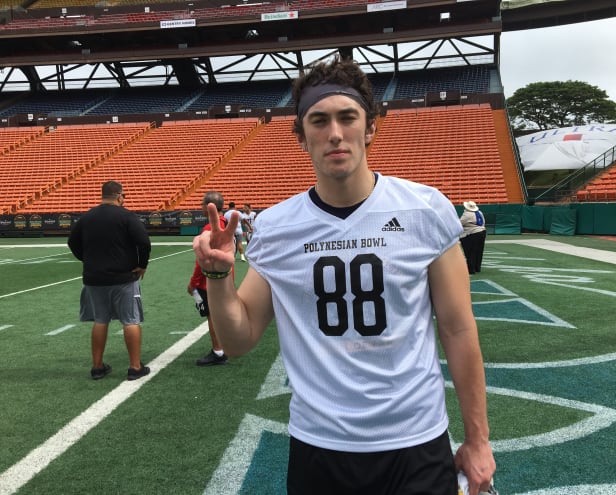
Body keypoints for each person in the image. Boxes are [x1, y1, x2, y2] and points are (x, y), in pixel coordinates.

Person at [193, 57, 495, 495]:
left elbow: (458, 328)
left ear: (370, 127)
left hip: (415, 440)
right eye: (319, 120)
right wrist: (217, 276)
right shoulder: (278, 228)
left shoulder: (425, 210)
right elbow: (239, 341)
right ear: (301, 136)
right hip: (321, 446)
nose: (334, 133)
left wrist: (478, 439)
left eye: (347, 117)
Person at [67, 180, 151, 381]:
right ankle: (135, 367)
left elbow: (72, 242)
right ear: (119, 196)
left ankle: (97, 367)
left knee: (100, 320)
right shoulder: (126, 216)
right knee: (130, 320)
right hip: (123, 277)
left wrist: (87, 259)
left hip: (94, 278)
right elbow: (144, 242)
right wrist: (142, 264)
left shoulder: (87, 217)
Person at [188, 191, 229, 366]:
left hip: (211, 280)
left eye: (202, 204)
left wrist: (193, 282)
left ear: (209, 206)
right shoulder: (225, 223)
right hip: (224, 276)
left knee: (212, 315)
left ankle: (218, 351)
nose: (200, 207)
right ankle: (223, 347)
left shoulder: (210, 228)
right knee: (219, 314)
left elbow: (203, 260)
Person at [459, 200, 487, 275]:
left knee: (470, 252)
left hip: (472, 234)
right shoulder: (479, 212)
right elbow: (483, 222)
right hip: (482, 232)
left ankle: (471, 269)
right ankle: (477, 267)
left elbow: (460, 223)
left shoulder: (467, 214)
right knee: (479, 251)